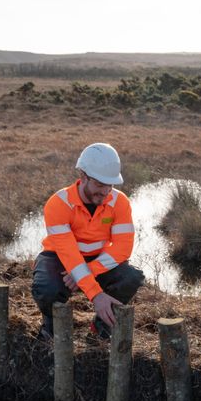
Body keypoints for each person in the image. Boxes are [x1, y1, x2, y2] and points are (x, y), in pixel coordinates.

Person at [31, 143, 144, 339]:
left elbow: (123, 248)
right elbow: (68, 252)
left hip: (97, 260)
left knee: (131, 277)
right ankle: (51, 326)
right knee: (46, 288)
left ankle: (101, 328)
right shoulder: (59, 203)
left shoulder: (120, 202)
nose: (106, 191)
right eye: (100, 185)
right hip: (59, 258)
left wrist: (88, 271)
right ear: (83, 176)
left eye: (110, 185)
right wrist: (95, 294)